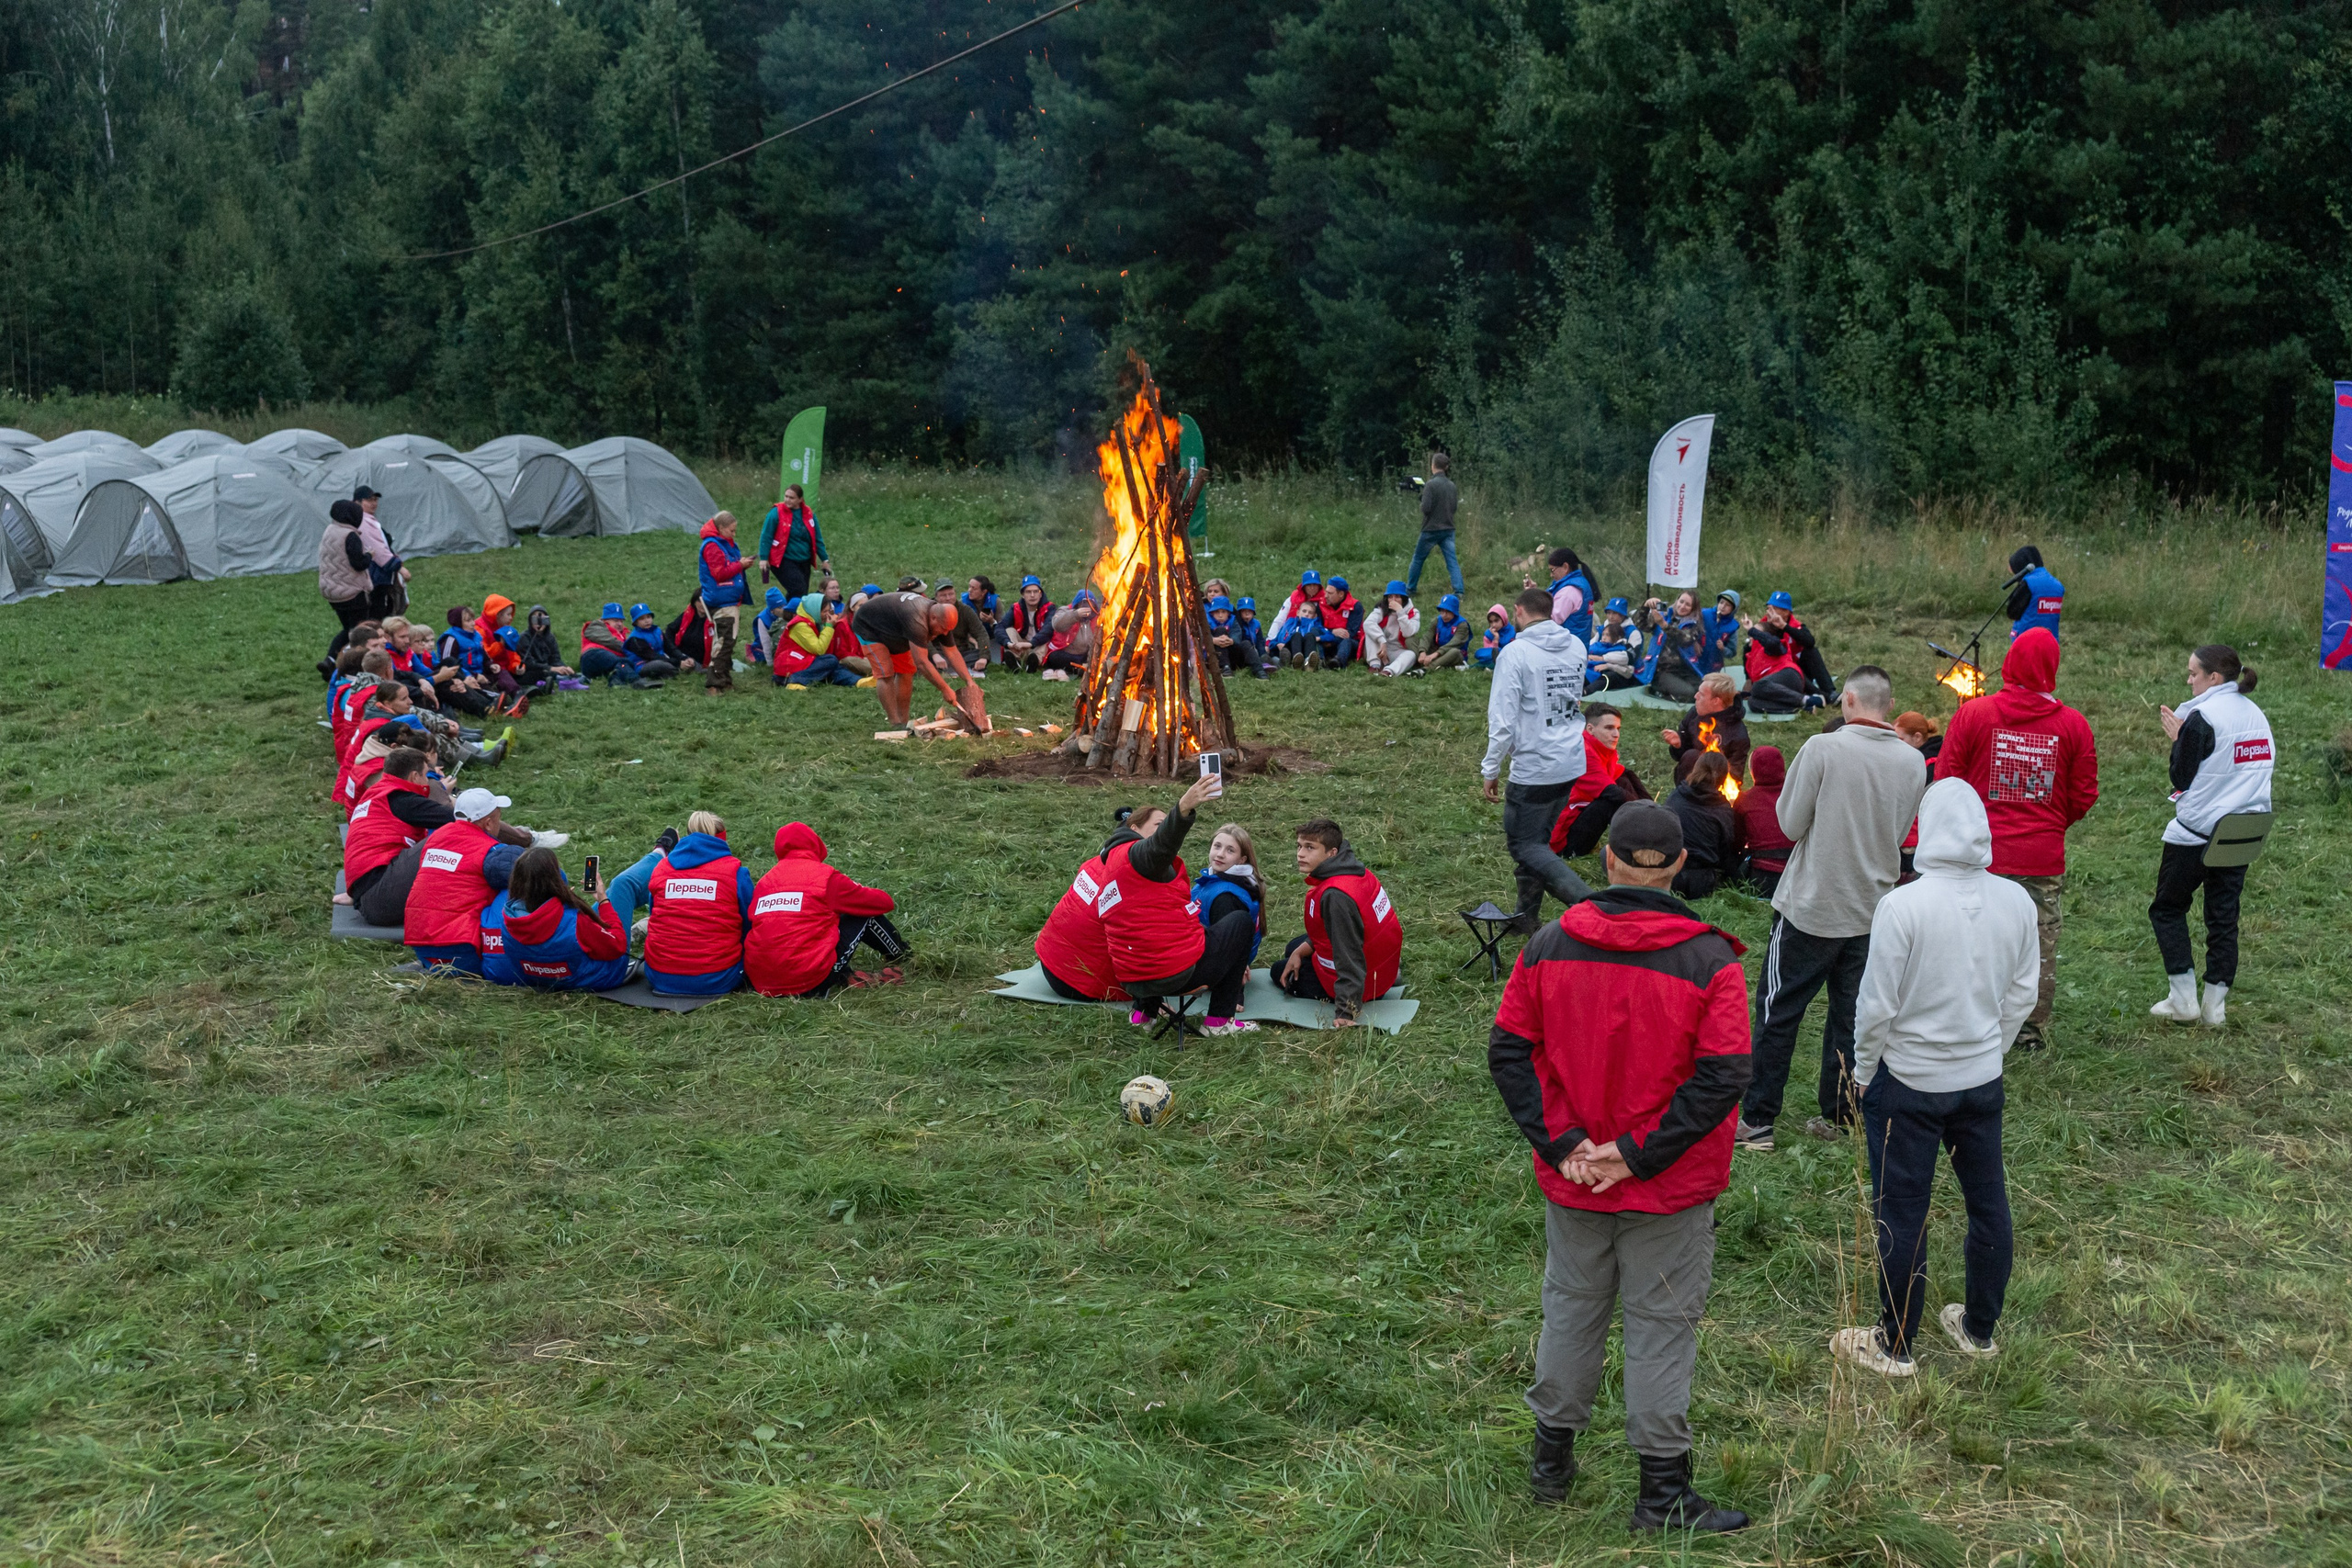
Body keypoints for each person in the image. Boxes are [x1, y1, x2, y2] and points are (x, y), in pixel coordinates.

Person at [1486, 802, 1751, 1532]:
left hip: (1576, 1176)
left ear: (1607, 859)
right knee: (1661, 1326)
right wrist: (1635, 1156)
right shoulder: (1711, 960)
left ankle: (1551, 1465)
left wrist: (1567, 1145)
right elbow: (1724, 1075)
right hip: (1668, 1186)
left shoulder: (1548, 943)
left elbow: (1510, 1051)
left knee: (1570, 1310)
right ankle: (1661, 1496)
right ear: (1680, 866)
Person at [1832, 779, 2038, 1378]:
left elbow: (1876, 1005)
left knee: (1901, 1210)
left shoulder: (1904, 906)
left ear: (1926, 830)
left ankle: (1895, 1344)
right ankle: (1979, 1328)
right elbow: (2023, 993)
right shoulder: (2017, 901)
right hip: (1982, 1080)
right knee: (1988, 1201)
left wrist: (1863, 1070)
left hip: (1909, 1083)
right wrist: (1990, 1049)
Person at [1736, 667, 1928, 1150]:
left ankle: (1757, 1120)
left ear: (1848, 699)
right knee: (1852, 1016)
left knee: (1778, 1011)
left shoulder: (1822, 748)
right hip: (1872, 908)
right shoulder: (1913, 761)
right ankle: (1843, 1117)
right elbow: (1901, 829)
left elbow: (1789, 824)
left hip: (1812, 905)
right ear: (1888, 706)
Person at [1930, 628, 2097, 1049]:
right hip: (2041, 856)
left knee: (1970, 935)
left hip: (1978, 853)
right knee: (2038, 941)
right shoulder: (2073, 725)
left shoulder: (1974, 714)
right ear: (2052, 668)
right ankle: (2027, 1030)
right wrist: (2051, 823)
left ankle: (1966, 1018)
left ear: (2009, 663)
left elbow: (1946, 779)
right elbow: (2084, 793)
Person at [2147, 644, 2271, 1027]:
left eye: (2193, 674)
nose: (2189, 681)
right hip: (2243, 830)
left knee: (2168, 908)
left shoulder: (2203, 718)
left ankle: (2183, 1000)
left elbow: (2181, 778)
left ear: (2213, 677)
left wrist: (2179, 741)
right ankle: (2215, 1008)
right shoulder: (2257, 715)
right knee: (2223, 917)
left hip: (2196, 833)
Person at [1091, 773, 1259, 1035]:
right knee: (1241, 922)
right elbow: (1160, 847)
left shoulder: (1112, 862)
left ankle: (1143, 1015)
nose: (1162, 830)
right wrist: (1182, 809)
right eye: (1159, 825)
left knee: (1149, 932)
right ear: (1135, 830)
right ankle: (1218, 1022)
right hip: (1174, 975)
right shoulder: (1139, 855)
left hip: (1132, 978)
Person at [1482, 587, 1592, 931]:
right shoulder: (1576, 646)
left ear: (1518, 611)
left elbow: (1502, 719)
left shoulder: (1515, 654)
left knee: (1525, 845)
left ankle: (1596, 908)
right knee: (1538, 844)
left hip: (1535, 766)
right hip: (1570, 759)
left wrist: (1490, 767)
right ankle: (1525, 917)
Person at [745, 822, 911, 997]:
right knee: (865, 915)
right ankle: (902, 956)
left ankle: (843, 974)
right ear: (816, 844)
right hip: (809, 983)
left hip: (763, 983)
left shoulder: (765, 882)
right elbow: (884, 902)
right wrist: (854, 891)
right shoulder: (826, 878)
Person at [1275, 818, 1403, 1025]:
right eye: (1299, 846)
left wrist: (1346, 1012)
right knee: (1293, 949)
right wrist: (1299, 952)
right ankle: (1389, 975)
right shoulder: (1353, 870)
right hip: (1380, 961)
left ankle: (1371, 989)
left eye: (1310, 847)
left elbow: (1349, 955)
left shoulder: (1335, 897)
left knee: (1279, 971)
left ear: (1331, 853)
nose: (1300, 854)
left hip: (1366, 979)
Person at [403, 787, 528, 975]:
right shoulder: (489, 851)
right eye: (498, 818)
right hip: (463, 949)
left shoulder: (434, 838)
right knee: (512, 889)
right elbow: (537, 875)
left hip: (422, 947)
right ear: (488, 823)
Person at [481, 848, 634, 992]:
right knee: (623, 885)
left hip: (543, 981)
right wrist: (603, 899)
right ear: (555, 877)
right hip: (595, 980)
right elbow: (617, 946)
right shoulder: (574, 920)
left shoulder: (508, 919)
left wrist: (565, 902)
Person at [1033, 808, 1144, 1004]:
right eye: (1159, 826)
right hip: (1081, 984)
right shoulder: (1126, 883)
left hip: (1049, 962)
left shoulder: (1093, 864)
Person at [642, 810, 756, 995]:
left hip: (660, 976)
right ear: (721, 839)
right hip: (718, 978)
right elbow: (749, 923)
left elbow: (654, 913)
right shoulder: (735, 872)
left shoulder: (661, 868)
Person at [850, 586, 989, 730]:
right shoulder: (917, 621)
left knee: (906, 672)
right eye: (943, 629)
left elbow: (952, 652)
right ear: (933, 618)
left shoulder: (942, 620)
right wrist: (945, 689)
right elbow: (921, 662)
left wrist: (969, 681)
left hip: (895, 629)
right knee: (886, 673)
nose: (944, 633)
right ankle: (895, 723)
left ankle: (903, 721)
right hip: (868, 626)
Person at [1547, 703, 1653, 861]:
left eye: (1618, 728)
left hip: (1578, 816)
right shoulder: (1582, 752)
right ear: (1590, 729)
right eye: (1609, 728)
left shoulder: (1599, 747)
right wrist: (1647, 812)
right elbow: (1613, 793)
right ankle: (1641, 845)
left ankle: (1649, 835)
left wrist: (1651, 806)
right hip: (1563, 842)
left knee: (1623, 779)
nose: (1616, 734)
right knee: (1610, 802)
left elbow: (1624, 773)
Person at [1664, 752, 1743, 900]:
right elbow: (1726, 848)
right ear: (1724, 777)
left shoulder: (1676, 796)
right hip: (1702, 882)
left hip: (1671, 876)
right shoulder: (1722, 808)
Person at [694, 512, 753, 693]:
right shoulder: (712, 546)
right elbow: (719, 573)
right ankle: (714, 683)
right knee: (724, 642)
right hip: (721, 600)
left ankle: (724, 679)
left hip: (728, 598)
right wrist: (740, 565)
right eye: (731, 530)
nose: (734, 534)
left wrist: (741, 564)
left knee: (727, 641)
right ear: (720, 528)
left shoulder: (723, 543)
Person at [1191, 823, 1265, 964]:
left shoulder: (1226, 898)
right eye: (1217, 846)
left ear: (1241, 860)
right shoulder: (1210, 880)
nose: (1220, 854)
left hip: (1211, 967)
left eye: (1230, 850)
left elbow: (1224, 952)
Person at [1659, 671, 1750, 784]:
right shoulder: (1694, 715)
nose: (1695, 696)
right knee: (1691, 756)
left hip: (1716, 787)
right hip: (1688, 784)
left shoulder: (1738, 735)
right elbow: (1682, 758)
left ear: (1716, 701)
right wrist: (1678, 745)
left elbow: (1735, 778)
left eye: (1701, 694)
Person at [1741, 593, 1824, 714]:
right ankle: (1804, 706)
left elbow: (1772, 643)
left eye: (1757, 634)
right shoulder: (1751, 655)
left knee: (1758, 686)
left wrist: (1752, 630)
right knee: (1753, 702)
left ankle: (1805, 699)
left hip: (1789, 676)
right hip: (1775, 686)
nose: (1752, 636)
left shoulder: (1771, 646)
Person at [1733, 745, 1794, 897]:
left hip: (1763, 878)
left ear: (1753, 771)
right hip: (1798, 873)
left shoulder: (1745, 800)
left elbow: (1736, 842)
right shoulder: (1796, 794)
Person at [1407, 451, 1465, 596]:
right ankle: (1459, 591)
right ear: (1446, 467)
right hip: (1448, 528)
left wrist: (1421, 501)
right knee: (1452, 561)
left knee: (1418, 558)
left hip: (1430, 529)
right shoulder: (1452, 485)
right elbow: (1454, 508)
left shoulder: (1430, 485)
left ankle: (1411, 589)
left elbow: (1426, 509)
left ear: (1433, 465)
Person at [758, 484, 831, 600]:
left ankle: (786, 610)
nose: (787, 500)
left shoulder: (809, 514)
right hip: (783, 560)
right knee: (798, 589)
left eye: (791, 498)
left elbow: (817, 538)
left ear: (800, 499)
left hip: (804, 560)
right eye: (786, 496)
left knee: (801, 593)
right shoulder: (776, 513)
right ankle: (786, 609)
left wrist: (824, 560)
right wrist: (763, 558)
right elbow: (766, 536)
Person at [774, 594, 863, 688]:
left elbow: (827, 650)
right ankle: (794, 681)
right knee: (830, 661)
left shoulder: (816, 621)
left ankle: (858, 681)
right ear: (815, 610)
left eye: (829, 611)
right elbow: (819, 649)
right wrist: (829, 627)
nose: (828, 615)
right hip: (788, 668)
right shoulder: (800, 625)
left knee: (832, 666)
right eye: (824, 611)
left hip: (805, 661)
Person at [318, 498, 376, 633]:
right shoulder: (350, 536)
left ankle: (337, 648)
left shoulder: (330, 529)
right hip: (351, 592)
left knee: (347, 630)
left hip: (332, 590)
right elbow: (359, 564)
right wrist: (369, 555)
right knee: (359, 633)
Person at [354, 486, 409, 618]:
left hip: (376, 574)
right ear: (357, 502)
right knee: (377, 612)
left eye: (375, 500)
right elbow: (378, 550)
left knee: (378, 611)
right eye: (369, 500)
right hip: (375, 575)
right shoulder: (363, 521)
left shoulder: (366, 519)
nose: (374, 503)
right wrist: (399, 567)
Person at [1640, 593, 1706, 703]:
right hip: (1662, 670)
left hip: (1685, 669)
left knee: (1703, 691)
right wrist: (1646, 606)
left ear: (1693, 608)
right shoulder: (1663, 615)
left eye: (1688, 605)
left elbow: (1685, 639)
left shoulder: (1694, 624)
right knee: (1689, 694)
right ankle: (1658, 692)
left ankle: (1672, 693)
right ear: (1676, 601)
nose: (1683, 606)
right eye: (1681, 602)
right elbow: (1641, 625)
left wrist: (1664, 625)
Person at [1526, 547, 1598, 642]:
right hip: (1578, 643)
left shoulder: (1568, 592)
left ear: (1565, 567)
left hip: (1567, 646)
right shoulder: (1579, 583)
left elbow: (1548, 621)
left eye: (1552, 570)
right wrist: (1534, 592)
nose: (1551, 575)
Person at [999, 576, 1057, 672]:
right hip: (1021, 646)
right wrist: (1008, 643)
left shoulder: (1050, 608)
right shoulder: (1015, 608)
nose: (1032, 595)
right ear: (1023, 595)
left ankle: (1034, 663)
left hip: (1038, 645)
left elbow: (1049, 628)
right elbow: (1000, 627)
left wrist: (1030, 644)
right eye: (1028, 592)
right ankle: (1015, 660)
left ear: (1040, 594)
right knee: (1009, 630)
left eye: (1036, 591)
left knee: (1046, 637)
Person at [1363, 581, 1422, 675]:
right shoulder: (1382, 609)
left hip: (1397, 650)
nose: (1393, 600)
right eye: (1390, 597)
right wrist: (1382, 640)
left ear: (1403, 598)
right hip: (1379, 648)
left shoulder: (1413, 612)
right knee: (1370, 631)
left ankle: (1389, 671)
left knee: (1411, 655)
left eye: (1397, 597)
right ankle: (1375, 665)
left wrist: (1400, 612)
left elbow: (1408, 633)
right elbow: (1368, 623)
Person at [2006, 546, 2064, 641]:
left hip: (2026, 640)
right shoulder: (2058, 585)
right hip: (2051, 640)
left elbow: (2012, 612)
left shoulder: (2028, 583)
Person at [1272, 570, 1328, 668]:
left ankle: (1310, 662)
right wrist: (1271, 642)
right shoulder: (1293, 602)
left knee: (1311, 635)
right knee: (1296, 636)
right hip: (1292, 637)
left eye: (1315, 585)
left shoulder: (1325, 600)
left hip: (1313, 636)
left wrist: (1322, 637)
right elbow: (1279, 621)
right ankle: (1294, 660)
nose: (1312, 587)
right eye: (1309, 585)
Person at [1587, 598, 1645, 690]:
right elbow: (1589, 646)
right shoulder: (1603, 629)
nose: (1611, 617)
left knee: (1608, 677)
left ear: (1623, 615)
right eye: (1609, 613)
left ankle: (1587, 691)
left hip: (1626, 671)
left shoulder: (1633, 632)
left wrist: (1604, 661)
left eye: (1615, 613)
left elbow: (1631, 658)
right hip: (1599, 665)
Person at [1041, 590, 1098, 682]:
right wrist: (1076, 615)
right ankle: (1080, 669)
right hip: (1065, 653)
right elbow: (1057, 625)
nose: (1087, 606)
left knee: (1095, 659)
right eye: (1084, 603)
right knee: (1054, 657)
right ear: (1078, 604)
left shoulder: (1097, 616)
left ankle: (1077, 669)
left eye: (1090, 604)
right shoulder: (1065, 610)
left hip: (1085, 655)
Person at [516, 605, 576, 689]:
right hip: (533, 670)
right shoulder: (524, 637)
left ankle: (567, 679)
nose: (539, 622)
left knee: (564, 671)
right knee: (536, 674)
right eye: (535, 619)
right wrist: (550, 668)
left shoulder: (550, 637)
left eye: (542, 619)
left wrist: (564, 668)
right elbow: (529, 663)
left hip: (547, 668)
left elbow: (555, 658)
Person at [1204, 595, 1261, 678]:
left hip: (1232, 654)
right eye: (1217, 612)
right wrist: (1212, 640)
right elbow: (1201, 636)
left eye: (1223, 612)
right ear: (1212, 613)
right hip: (1213, 656)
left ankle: (1259, 670)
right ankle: (1225, 667)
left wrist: (1232, 640)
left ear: (1228, 613)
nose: (1220, 615)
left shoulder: (1233, 620)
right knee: (1220, 630)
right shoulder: (1206, 621)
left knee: (1246, 643)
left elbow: (1237, 633)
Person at [1415, 593, 1471, 673]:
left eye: (1448, 611)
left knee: (1455, 652)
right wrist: (1422, 651)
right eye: (1442, 611)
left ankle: (1425, 669)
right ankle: (1422, 661)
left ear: (1454, 612)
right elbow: (1427, 636)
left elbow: (1454, 643)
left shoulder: (1462, 624)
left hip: (1451, 654)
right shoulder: (1437, 620)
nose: (1444, 615)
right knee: (1412, 641)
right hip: (1436, 650)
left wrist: (1436, 654)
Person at [1696, 591, 1741, 675]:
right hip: (1696, 659)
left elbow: (1732, 652)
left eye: (1728, 605)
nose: (1723, 607)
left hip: (1714, 665)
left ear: (1733, 609)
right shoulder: (1704, 614)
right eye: (1721, 602)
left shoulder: (1732, 627)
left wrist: (1723, 649)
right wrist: (1695, 642)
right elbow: (1689, 629)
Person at [664, 597, 712, 671]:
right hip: (681, 655)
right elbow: (670, 631)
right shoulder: (688, 614)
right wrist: (674, 651)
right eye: (700, 601)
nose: (703, 604)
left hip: (702, 660)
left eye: (706, 601)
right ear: (694, 602)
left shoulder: (716, 619)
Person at [1234, 596, 1275, 673]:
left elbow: (1259, 641)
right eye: (1244, 611)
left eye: (1249, 611)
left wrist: (1263, 654)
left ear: (1253, 612)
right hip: (1243, 653)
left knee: (1266, 642)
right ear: (1239, 613)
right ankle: (1260, 664)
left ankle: (1267, 660)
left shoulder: (1256, 624)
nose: (1247, 614)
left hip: (1255, 648)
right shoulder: (1237, 624)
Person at [1474, 603, 1513, 671]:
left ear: (1503, 619)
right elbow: (1489, 652)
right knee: (1478, 653)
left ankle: (1482, 666)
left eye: (1496, 621)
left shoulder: (1513, 632)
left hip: (1508, 657)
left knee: (1503, 652)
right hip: (1493, 657)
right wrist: (1496, 639)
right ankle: (1492, 666)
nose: (1494, 625)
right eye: (1491, 622)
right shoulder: (1489, 634)